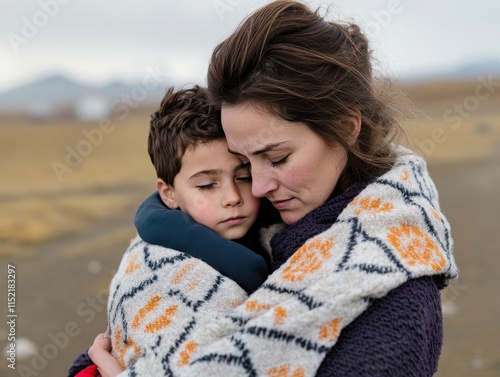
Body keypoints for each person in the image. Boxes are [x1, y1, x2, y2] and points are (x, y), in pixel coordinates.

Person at [88, 1, 459, 376]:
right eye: (247, 164)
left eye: (277, 158)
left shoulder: (390, 296)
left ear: (346, 128)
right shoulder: (259, 220)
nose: (259, 187)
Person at [68, 86, 281, 377]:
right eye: (207, 185)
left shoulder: (280, 228)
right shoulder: (152, 266)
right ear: (169, 194)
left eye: (243, 176)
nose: (233, 196)